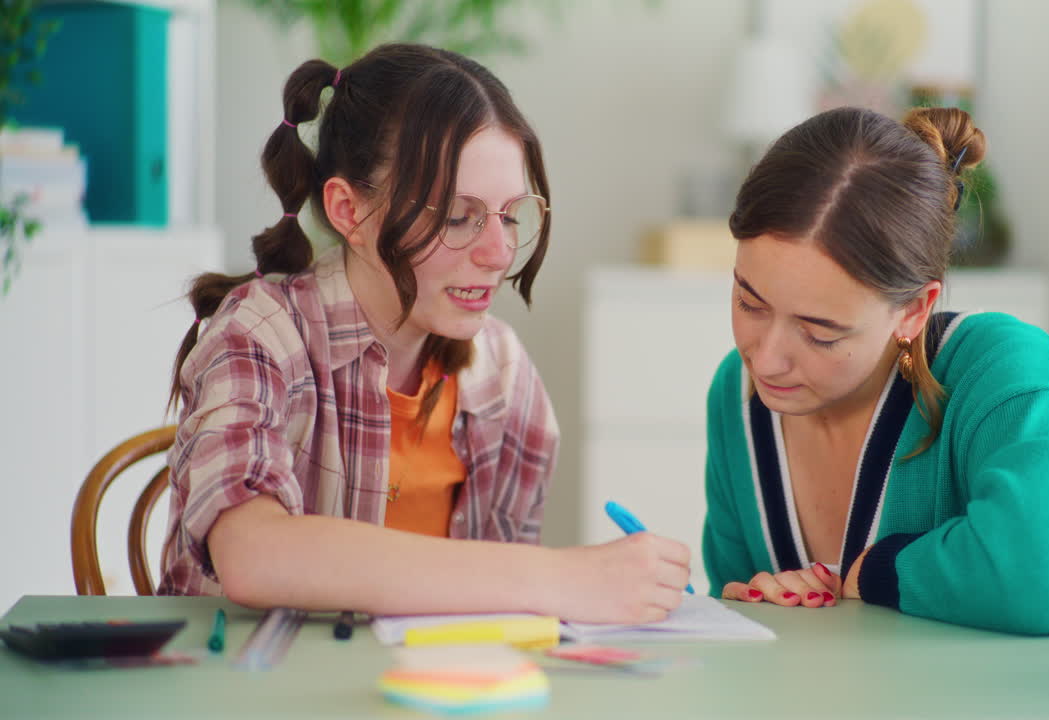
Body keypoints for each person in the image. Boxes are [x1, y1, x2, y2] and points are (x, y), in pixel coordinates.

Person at [160, 44, 689, 624]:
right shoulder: (260, 335)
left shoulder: (504, 377)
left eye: (510, 215)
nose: (499, 253)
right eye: (458, 217)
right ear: (349, 210)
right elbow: (253, 554)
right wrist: (559, 578)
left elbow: (495, 621)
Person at [702, 106, 1049, 634]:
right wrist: (751, 603)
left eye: (819, 333)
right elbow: (734, 607)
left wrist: (877, 573)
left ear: (913, 311)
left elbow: (1048, 575)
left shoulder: (998, 368)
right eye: (749, 303)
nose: (764, 358)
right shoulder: (737, 396)